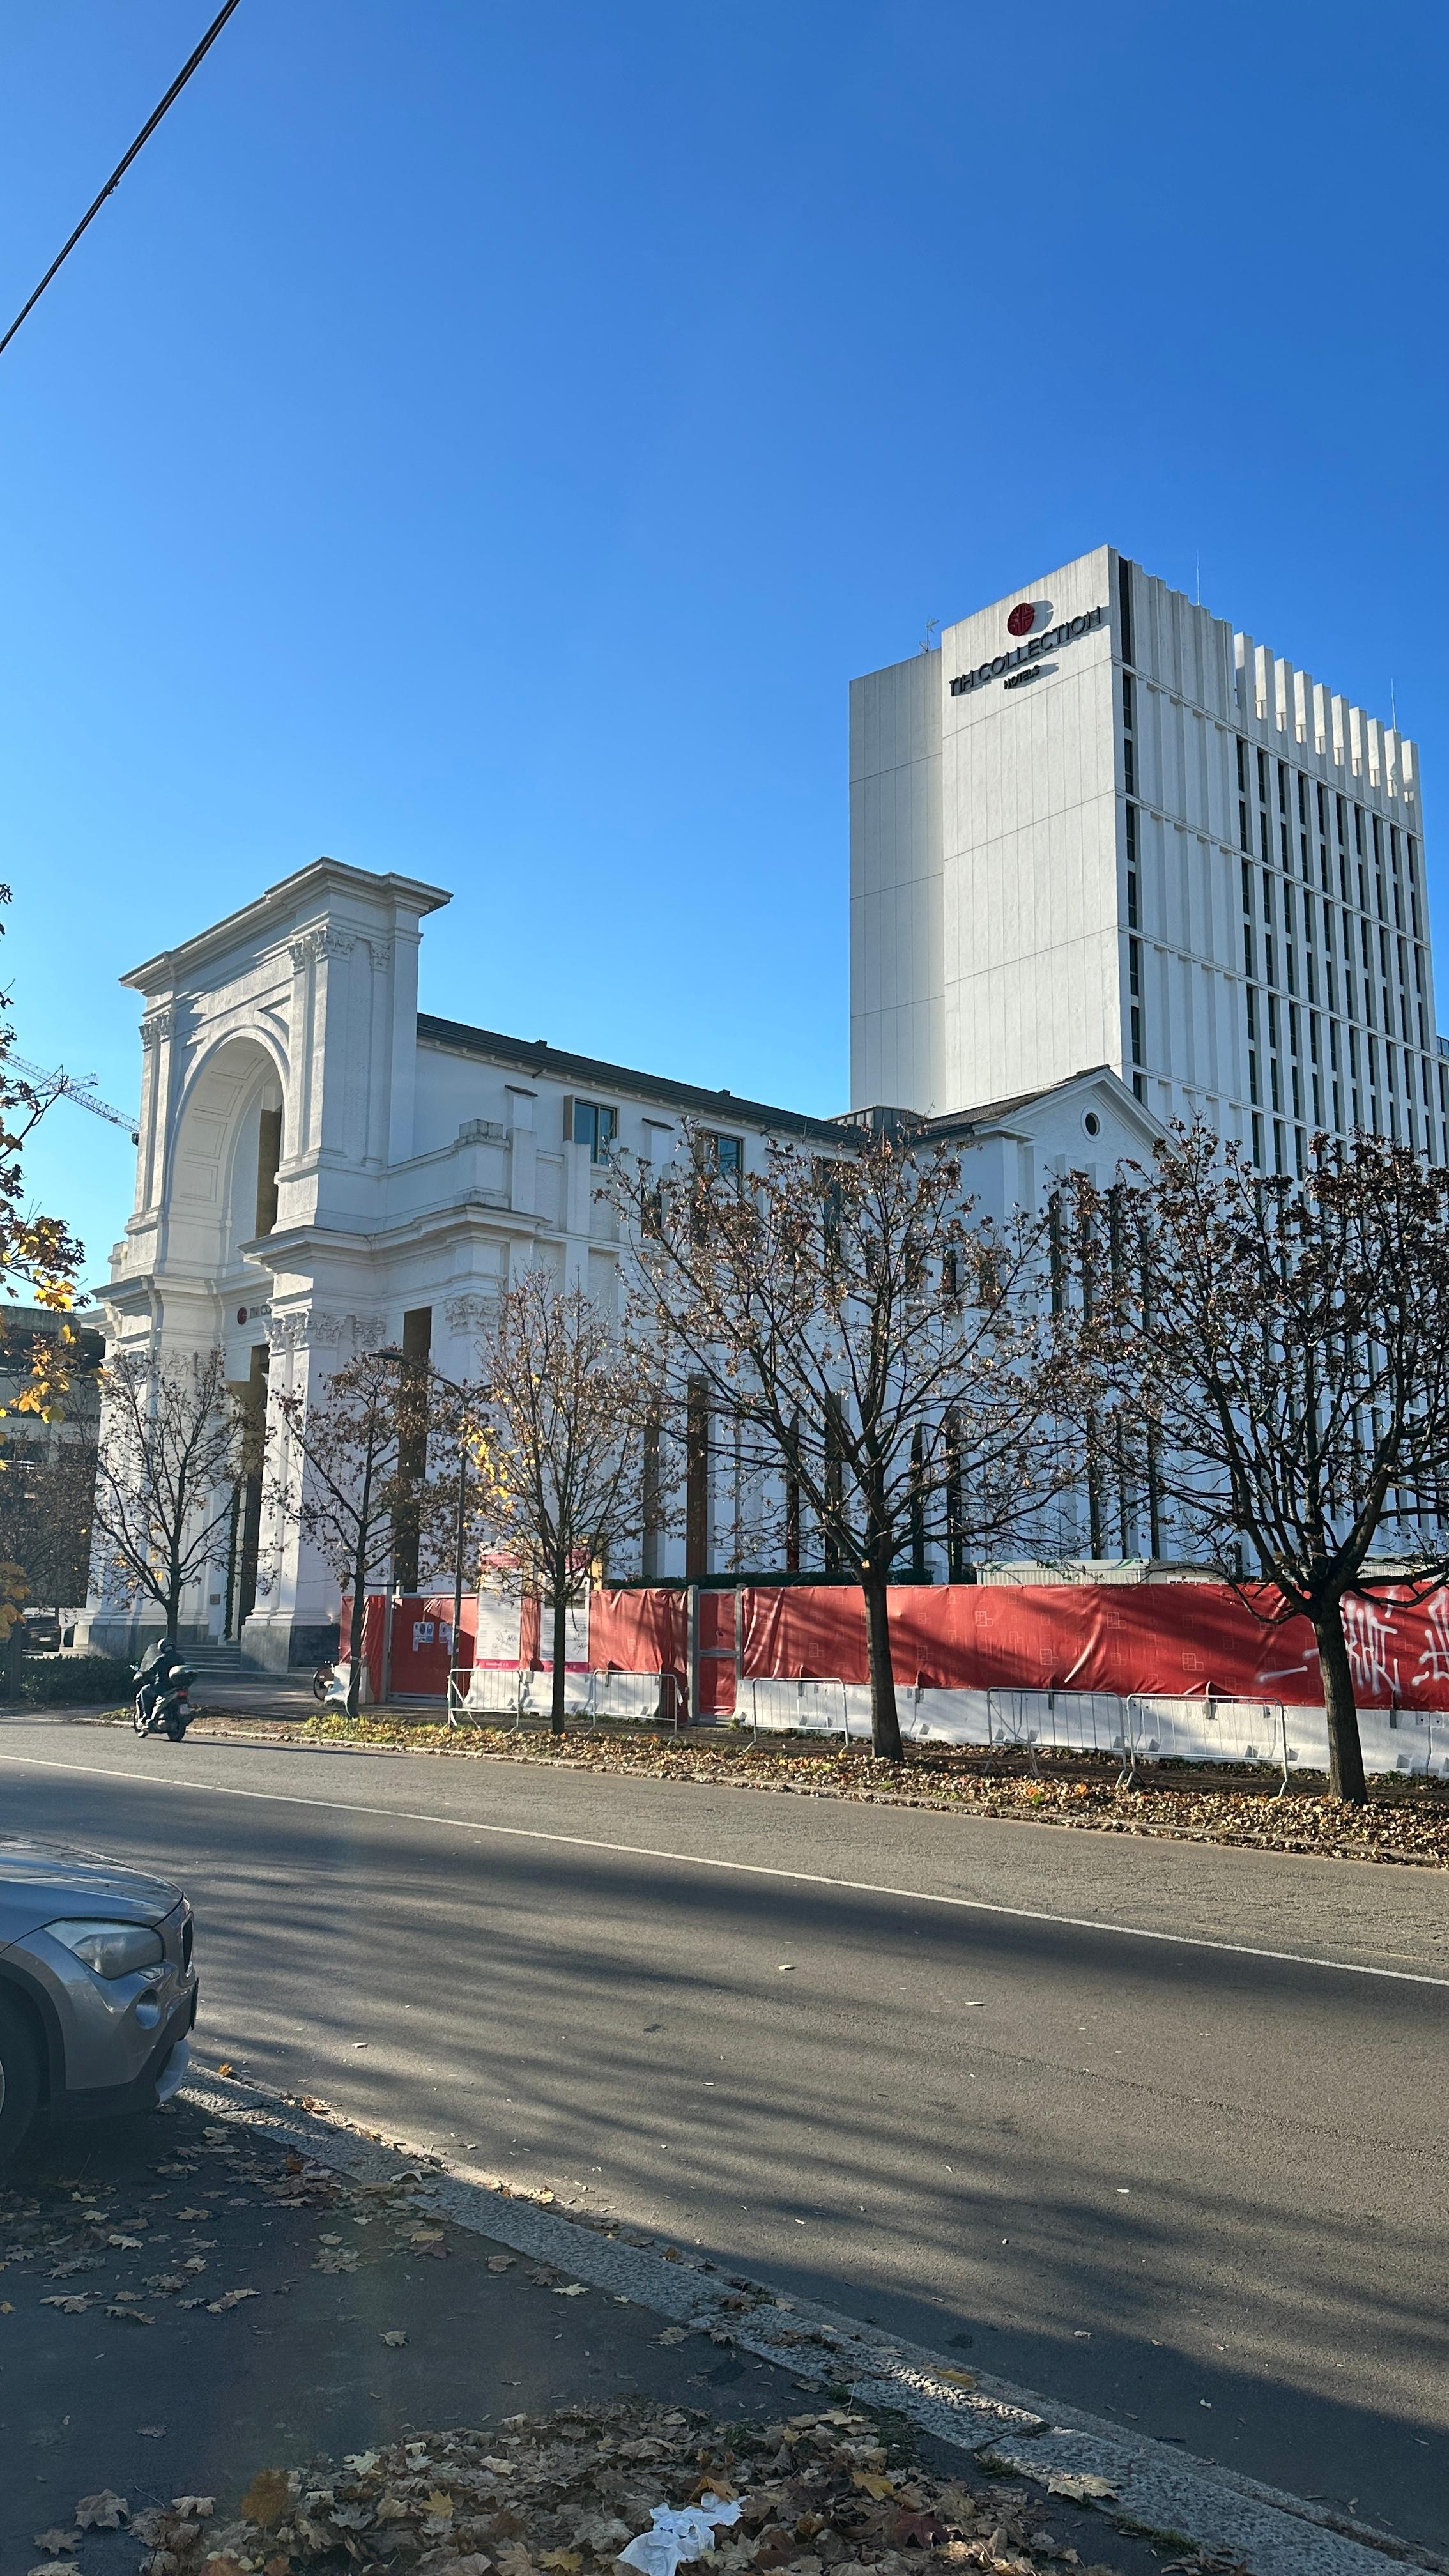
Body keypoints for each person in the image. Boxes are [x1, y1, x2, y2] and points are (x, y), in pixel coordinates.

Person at [136, 1633, 185, 1724]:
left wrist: (143, 1674)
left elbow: (151, 1671)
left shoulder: (161, 1659)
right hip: (176, 1686)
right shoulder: (180, 1658)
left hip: (163, 1686)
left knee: (144, 1691)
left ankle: (147, 1715)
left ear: (162, 1648)